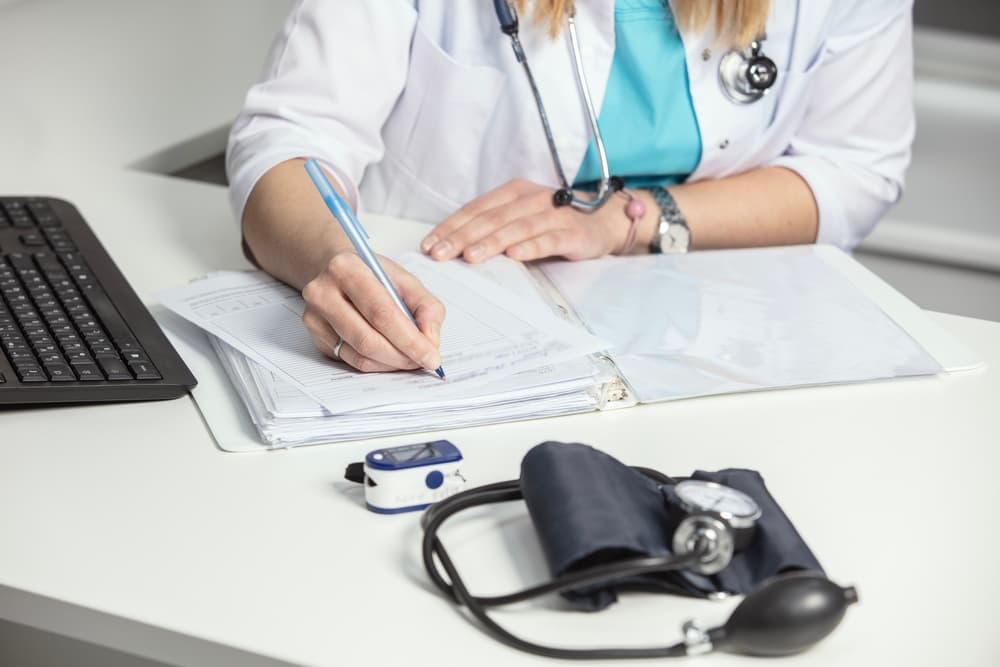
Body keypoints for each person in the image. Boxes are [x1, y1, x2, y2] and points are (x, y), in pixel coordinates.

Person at [227, 0, 914, 375]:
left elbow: (855, 169)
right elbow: (291, 139)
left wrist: (626, 220)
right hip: (456, 331)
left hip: (715, 347)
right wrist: (336, 265)